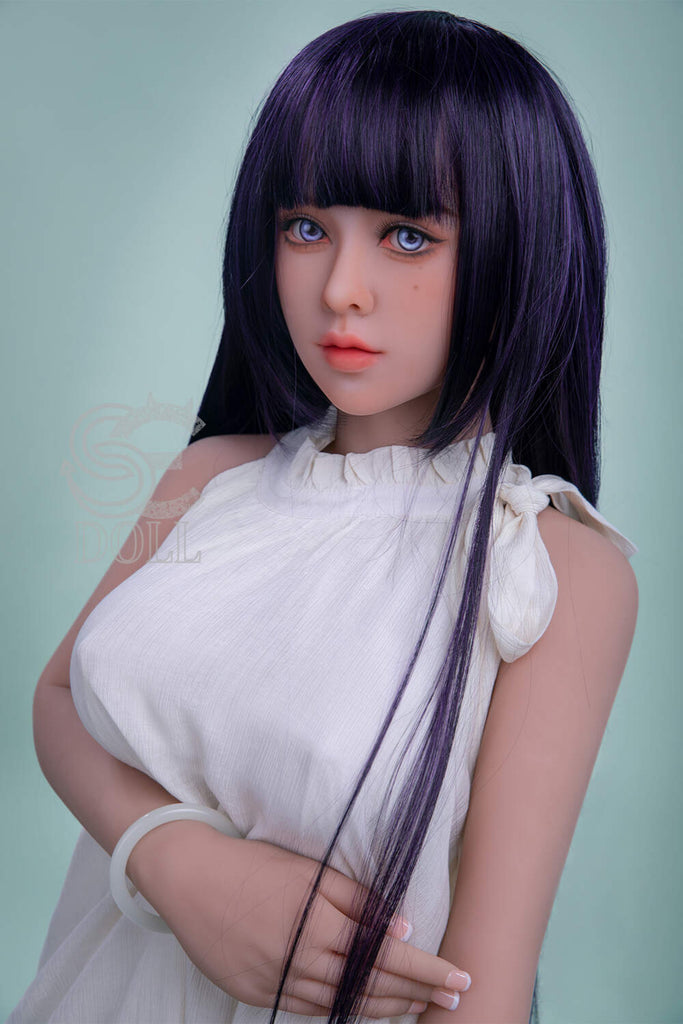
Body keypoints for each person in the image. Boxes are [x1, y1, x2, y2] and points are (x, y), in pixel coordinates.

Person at [7, 9, 638, 1024]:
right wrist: (176, 861)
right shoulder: (209, 477)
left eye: (406, 236)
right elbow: (57, 698)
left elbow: (478, 988)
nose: (340, 289)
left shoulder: (547, 563)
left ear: (517, 249)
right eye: (305, 228)